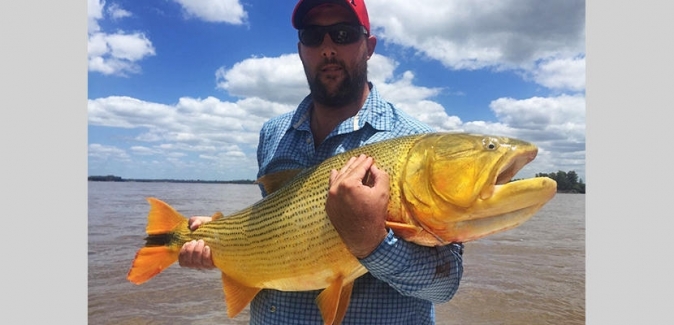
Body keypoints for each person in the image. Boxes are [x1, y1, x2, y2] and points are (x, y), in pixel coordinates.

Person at [179, 0, 464, 324]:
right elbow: (271, 226)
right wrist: (219, 236)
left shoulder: (419, 144)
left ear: (368, 46)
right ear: (301, 50)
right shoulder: (273, 133)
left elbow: (446, 285)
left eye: (343, 34)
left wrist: (373, 244)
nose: (328, 48)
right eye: (314, 36)